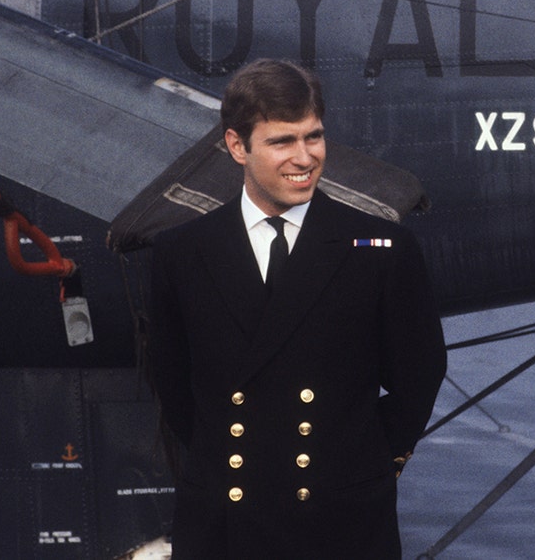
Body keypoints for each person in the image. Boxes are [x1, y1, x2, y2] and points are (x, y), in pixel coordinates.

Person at [147, 59, 447, 558]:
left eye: (314, 137)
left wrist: (362, 465)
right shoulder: (182, 251)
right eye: (282, 141)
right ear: (237, 146)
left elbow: (419, 376)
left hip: (338, 521)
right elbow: (174, 384)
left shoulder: (381, 250)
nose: (304, 158)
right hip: (225, 522)